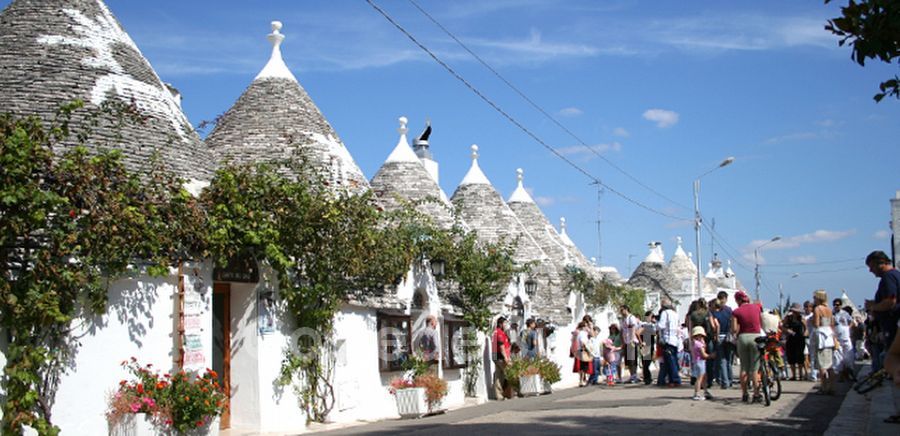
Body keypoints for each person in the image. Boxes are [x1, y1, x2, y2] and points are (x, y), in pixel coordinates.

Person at [865, 250, 900, 373]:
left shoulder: (888, 277)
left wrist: (873, 306)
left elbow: (890, 301)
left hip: (893, 326)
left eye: (872, 267)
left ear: (880, 263)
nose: (871, 271)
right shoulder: (895, 274)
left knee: (893, 357)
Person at [732, 290, 763, 403]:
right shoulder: (756, 308)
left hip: (743, 337)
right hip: (756, 337)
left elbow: (734, 329)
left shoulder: (736, 311)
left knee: (744, 367)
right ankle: (756, 393)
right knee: (754, 368)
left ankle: (745, 393)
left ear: (738, 300)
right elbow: (761, 323)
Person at [812, 290, 837, 395]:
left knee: (822, 364)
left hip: (821, 335)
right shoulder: (829, 309)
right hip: (829, 336)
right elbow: (832, 323)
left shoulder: (817, 309)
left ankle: (824, 386)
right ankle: (831, 386)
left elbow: (817, 323)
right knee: (830, 364)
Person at [657, 299, 682, 387]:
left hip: (667, 339)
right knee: (673, 360)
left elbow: (661, 325)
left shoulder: (665, 313)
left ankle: (675, 379)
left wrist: (655, 325)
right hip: (675, 340)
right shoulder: (675, 314)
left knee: (670, 361)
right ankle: (672, 379)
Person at [713, 291, 735, 388]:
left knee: (722, 360)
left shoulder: (714, 312)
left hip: (720, 336)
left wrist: (716, 337)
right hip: (729, 337)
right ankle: (730, 380)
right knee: (729, 360)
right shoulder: (729, 310)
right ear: (726, 298)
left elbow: (715, 326)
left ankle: (725, 382)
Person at [783, 303, 808, 381]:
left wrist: (805, 334)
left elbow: (806, 328)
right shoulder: (788, 318)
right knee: (791, 357)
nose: (795, 313)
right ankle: (794, 375)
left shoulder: (802, 318)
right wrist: (787, 330)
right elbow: (782, 326)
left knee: (800, 356)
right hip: (790, 339)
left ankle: (801, 374)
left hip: (800, 338)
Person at [833, 301, 856, 381]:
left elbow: (852, 322)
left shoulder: (845, 313)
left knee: (848, 358)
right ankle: (841, 376)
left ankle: (850, 374)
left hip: (846, 338)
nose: (836, 306)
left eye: (838, 305)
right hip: (837, 339)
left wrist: (848, 328)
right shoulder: (832, 314)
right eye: (835, 305)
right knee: (839, 359)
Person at [619, 305, 642, 384]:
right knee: (628, 361)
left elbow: (633, 329)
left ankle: (634, 376)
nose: (621, 312)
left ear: (626, 309)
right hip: (626, 342)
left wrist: (631, 340)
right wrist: (622, 342)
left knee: (632, 360)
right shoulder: (622, 319)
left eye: (622, 310)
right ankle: (631, 375)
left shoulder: (631, 317)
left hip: (631, 341)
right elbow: (621, 331)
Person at [691, 326, 713, 401]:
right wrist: (711, 356)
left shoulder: (696, 343)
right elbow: (704, 355)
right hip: (700, 362)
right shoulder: (699, 344)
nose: (701, 337)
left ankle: (705, 391)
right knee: (700, 378)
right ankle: (696, 393)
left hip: (699, 362)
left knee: (704, 378)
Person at [492, 317, 512, 400]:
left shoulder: (497, 332)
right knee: (508, 373)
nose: (506, 325)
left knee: (499, 375)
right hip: (500, 356)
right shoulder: (499, 333)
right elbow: (501, 346)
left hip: (495, 356)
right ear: (500, 324)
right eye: (505, 323)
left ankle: (499, 395)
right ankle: (507, 393)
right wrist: (506, 358)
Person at [639, 311, 658, 385]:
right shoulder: (645, 325)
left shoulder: (652, 325)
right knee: (646, 363)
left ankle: (647, 378)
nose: (653, 318)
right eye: (651, 317)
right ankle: (647, 378)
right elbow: (638, 333)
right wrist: (641, 342)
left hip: (651, 344)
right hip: (646, 345)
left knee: (647, 362)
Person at [803, 300, 817, 382]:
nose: (808, 308)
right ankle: (807, 372)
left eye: (809, 307)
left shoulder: (813, 316)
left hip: (812, 338)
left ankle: (813, 374)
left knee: (812, 357)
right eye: (806, 307)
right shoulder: (803, 316)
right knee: (805, 356)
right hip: (805, 338)